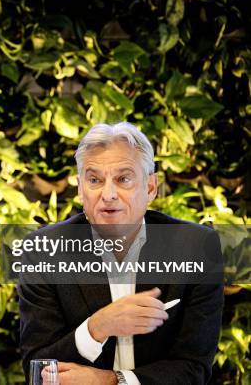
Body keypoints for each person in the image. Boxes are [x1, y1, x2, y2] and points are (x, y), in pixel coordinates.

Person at [18, 122, 224, 385]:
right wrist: (96, 328)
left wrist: (113, 381)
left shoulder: (196, 247)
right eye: (94, 180)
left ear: (150, 188)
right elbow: (37, 367)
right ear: (81, 189)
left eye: (123, 179)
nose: (108, 195)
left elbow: (194, 367)